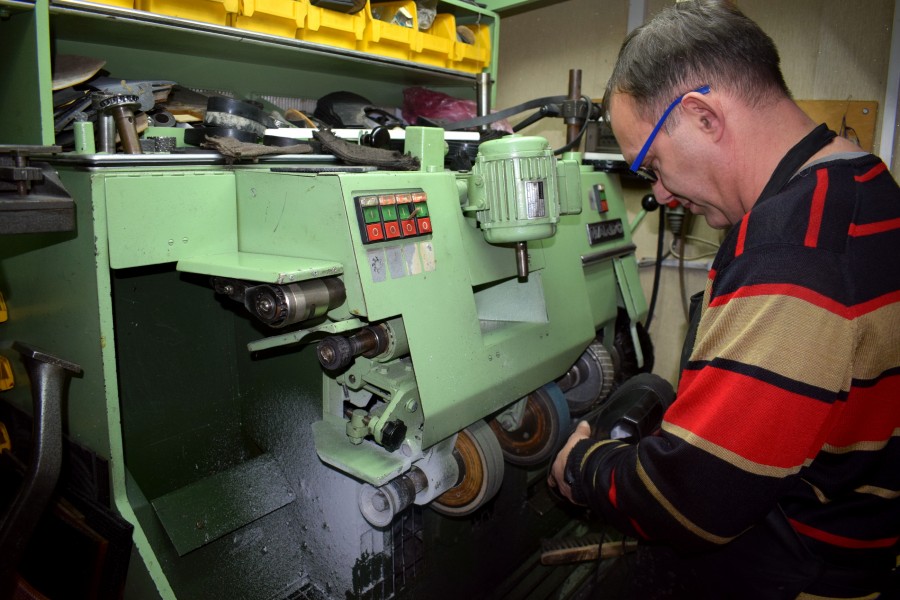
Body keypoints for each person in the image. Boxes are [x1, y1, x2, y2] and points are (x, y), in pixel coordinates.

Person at [548, 1, 900, 598]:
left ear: (704, 116)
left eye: (653, 164)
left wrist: (582, 469)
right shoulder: (863, 180)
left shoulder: (794, 249)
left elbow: (694, 501)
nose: (660, 193)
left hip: (799, 573)